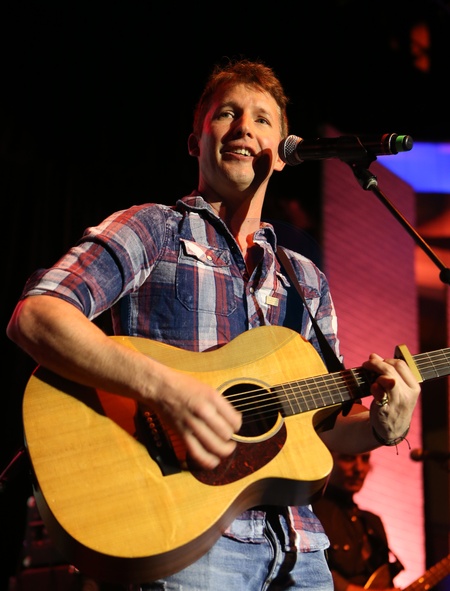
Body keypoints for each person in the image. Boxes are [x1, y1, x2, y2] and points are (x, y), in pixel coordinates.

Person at [6, 57, 421, 591]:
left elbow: (323, 426)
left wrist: (383, 428)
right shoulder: (154, 229)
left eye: (263, 119)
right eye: (227, 113)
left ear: (284, 151)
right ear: (194, 143)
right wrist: (169, 390)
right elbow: (37, 315)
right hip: (185, 537)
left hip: (300, 550)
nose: (244, 127)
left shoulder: (305, 279)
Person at [313, 452, 404, 591]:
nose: (359, 468)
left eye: (365, 459)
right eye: (348, 458)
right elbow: (306, 570)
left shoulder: (372, 522)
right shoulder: (309, 511)